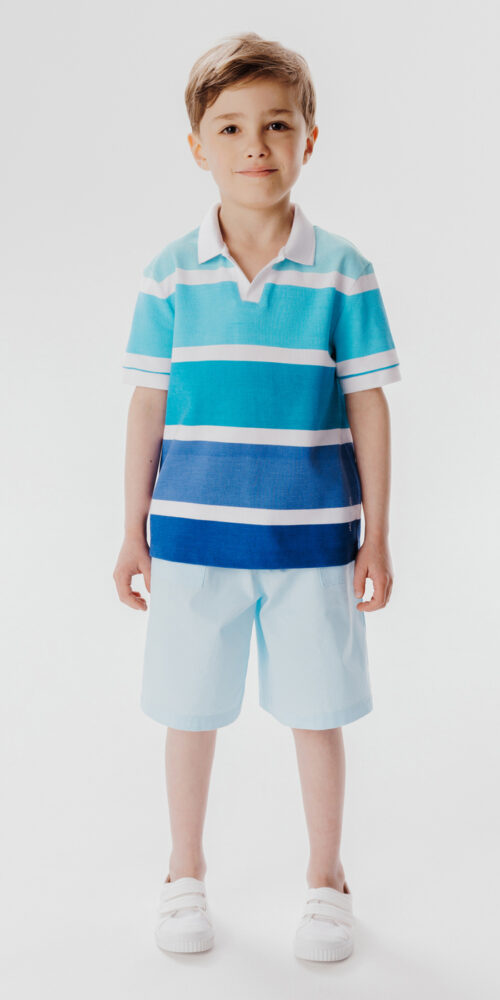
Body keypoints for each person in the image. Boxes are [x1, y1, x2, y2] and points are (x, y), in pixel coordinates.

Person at [113, 31, 402, 963]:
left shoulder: (344, 270)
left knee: (317, 712)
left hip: (312, 544)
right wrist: (131, 532)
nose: (256, 146)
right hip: (192, 540)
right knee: (188, 711)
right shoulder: (169, 274)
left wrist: (377, 535)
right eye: (231, 127)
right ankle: (182, 871)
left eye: (277, 124)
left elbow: (368, 405)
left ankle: (327, 879)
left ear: (309, 138)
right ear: (197, 146)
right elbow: (148, 406)